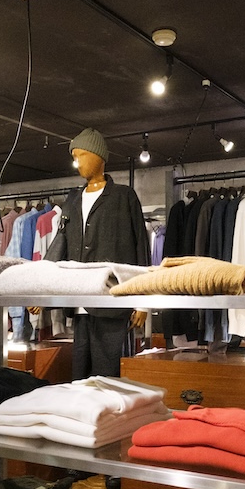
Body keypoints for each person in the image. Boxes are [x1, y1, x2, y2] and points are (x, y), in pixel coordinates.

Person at [45, 127, 150, 378]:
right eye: (74, 157)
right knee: (80, 377)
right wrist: (39, 290)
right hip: (80, 303)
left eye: (81, 155)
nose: (77, 162)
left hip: (113, 302)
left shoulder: (124, 197)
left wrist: (143, 301)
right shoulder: (72, 199)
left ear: (98, 156)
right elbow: (60, 242)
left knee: (109, 377)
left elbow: (141, 249)